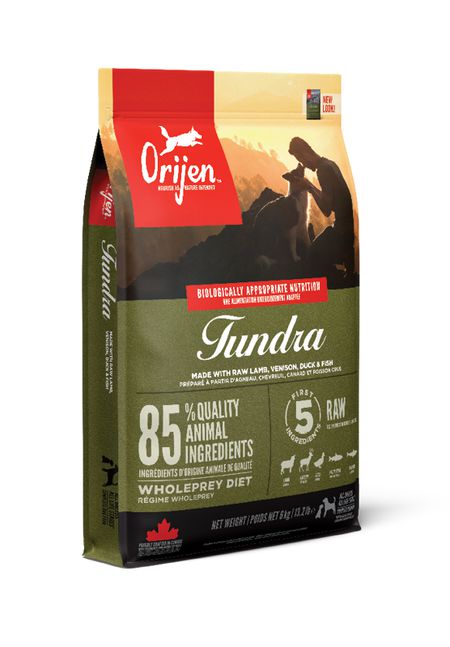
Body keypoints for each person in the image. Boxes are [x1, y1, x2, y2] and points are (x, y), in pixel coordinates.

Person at [288, 137, 355, 276]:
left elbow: (326, 210)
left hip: (341, 233)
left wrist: (310, 187)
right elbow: (328, 199)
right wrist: (309, 186)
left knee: (311, 255)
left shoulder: (323, 170)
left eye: (301, 160)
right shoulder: (329, 164)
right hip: (347, 230)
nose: (304, 165)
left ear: (305, 154)